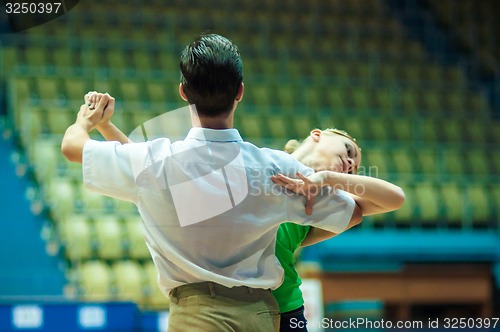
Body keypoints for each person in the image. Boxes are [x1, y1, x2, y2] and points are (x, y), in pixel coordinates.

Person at [61, 33, 362, 332]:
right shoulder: (276, 166)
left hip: (197, 315)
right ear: (240, 92)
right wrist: (333, 179)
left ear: (183, 92)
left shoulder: (157, 160)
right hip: (260, 316)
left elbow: (73, 147)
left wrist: (88, 120)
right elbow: (355, 212)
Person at [272, 129, 405, 331]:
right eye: (348, 150)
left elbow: (395, 198)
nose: (350, 164)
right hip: (229, 301)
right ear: (318, 134)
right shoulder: (263, 162)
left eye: (353, 171)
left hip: (285, 306)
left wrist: (327, 178)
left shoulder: (325, 200)